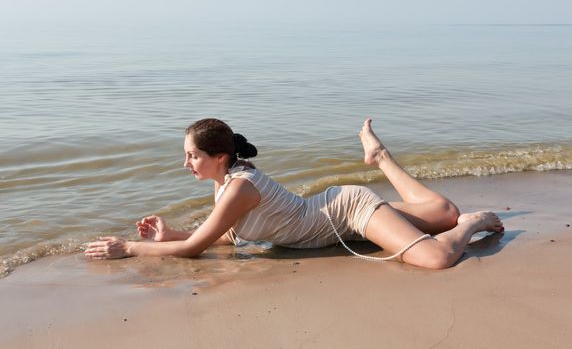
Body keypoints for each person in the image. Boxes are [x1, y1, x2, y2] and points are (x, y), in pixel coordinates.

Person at [84, 118, 504, 269]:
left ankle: (474, 223)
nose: (186, 164)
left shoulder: (239, 186)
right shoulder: (226, 184)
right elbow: (228, 236)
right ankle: (379, 158)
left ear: (219, 156)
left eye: (192, 156)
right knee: (442, 211)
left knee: (436, 256)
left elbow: (197, 248)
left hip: (347, 213)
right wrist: (169, 234)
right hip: (336, 218)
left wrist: (131, 249)